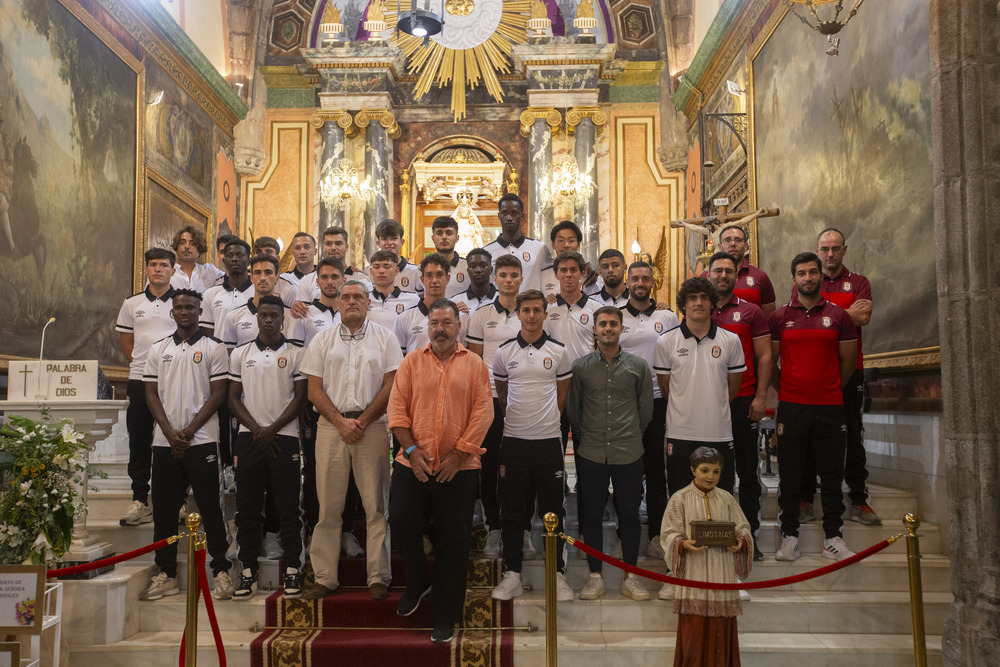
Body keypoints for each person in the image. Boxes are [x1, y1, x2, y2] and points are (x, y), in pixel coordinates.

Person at [387, 299, 494, 643]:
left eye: (447, 323)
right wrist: (412, 450)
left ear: (458, 327)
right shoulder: (410, 362)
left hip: (458, 468)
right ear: (427, 327)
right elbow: (397, 411)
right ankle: (418, 582)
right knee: (401, 519)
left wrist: (460, 455)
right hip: (413, 462)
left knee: (454, 541)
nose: (440, 329)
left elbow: (483, 413)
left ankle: (445, 615)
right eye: (434, 323)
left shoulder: (475, 364)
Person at [299, 281, 402, 600]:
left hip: (372, 427)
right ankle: (325, 577)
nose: (352, 301)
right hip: (331, 428)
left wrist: (363, 420)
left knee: (376, 506)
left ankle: (378, 576)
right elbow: (313, 390)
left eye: (358, 296)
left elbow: (391, 385)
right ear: (338, 303)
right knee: (328, 507)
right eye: (346, 297)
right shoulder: (322, 340)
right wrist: (342, 422)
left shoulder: (386, 338)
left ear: (369, 303)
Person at [141, 289, 233, 601]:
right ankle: (166, 573)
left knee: (211, 507)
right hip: (165, 442)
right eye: (179, 307)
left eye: (190, 307)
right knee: (164, 511)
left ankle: (221, 569)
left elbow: (218, 393)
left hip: (203, 440)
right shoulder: (158, 348)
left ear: (199, 310)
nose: (184, 312)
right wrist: (168, 432)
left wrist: (189, 431)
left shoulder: (214, 347)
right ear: (172, 312)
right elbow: (150, 393)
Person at [770, 252, 858, 562]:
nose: (807, 278)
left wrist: (828, 386)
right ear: (793, 279)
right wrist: (788, 390)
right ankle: (789, 537)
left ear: (820, 275)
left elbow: (847, 363)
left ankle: (833, 537)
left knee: (832, 476)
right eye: (801, 273)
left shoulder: (838, 316)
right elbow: (771, 363)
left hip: (831, 406)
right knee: (791, 474)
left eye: (812, 272)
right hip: (792, 406)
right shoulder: (780, 317)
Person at [490, 289, 574, 603]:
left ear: (543, 313)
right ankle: (512, 573)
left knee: (554, 509)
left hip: (548, 442)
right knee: (512, 509)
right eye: (526, 310)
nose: (532, 315)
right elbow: (501, 393)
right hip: (513, 441)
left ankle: (557, 574)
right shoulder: (504, 351)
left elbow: (561, 395)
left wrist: (546, 421)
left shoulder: (559, 351)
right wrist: (517, 420)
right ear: (518, 314)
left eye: (537, 310)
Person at [568, 306, 654, 601]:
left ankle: (631, 576)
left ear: (621, 328)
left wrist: (630, 433)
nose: (607, 328)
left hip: (628, 449)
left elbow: (645, 410)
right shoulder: (580, 367)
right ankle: (595, 576)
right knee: (591, 515)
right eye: (602, 324)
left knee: (629, 514)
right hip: (591, 451)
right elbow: (574, 412)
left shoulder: (638, 366)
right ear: (594, 329)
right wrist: (587, 437)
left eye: (613, 324)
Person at [227, 295, 307, 600]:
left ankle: (292, 570)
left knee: (288, 507)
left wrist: (272, 428)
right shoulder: (240, 354)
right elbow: (233, 397)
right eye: (264, 315)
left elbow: (300, 397)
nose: (269, 320)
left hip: (284, 436)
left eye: (275, 315)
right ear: (257, 318)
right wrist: (258, 429)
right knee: (247, 507)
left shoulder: (296, 353)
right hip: (250, 437)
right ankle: (247, 570)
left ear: (283, 318)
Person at [798, 228, 880, 525]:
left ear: (844, 250)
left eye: (835, 249)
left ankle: (859, 500)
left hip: (850, 370)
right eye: (824, 249)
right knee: (807, 436)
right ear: (817, 250)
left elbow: (864, 317)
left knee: (853, 434)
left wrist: (826, 313)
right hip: (814, 371)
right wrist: (847, 312)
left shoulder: (858, 282)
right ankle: (805, 499)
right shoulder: (809, 281)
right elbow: (807, 318)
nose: (829, 254)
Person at [661, 446, 753, 667]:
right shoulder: (679, 499)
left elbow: (744, 528)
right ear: (693, 470)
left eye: (716, 471)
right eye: (705, 470)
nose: (711, 476)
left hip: (722, 575)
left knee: (722, 633)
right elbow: (668, 533)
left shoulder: (727, 499)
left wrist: (741, 542)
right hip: (694, 574)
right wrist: (683, 544)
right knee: (694, 636)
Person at [654, 277, 745, 496]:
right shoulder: (666, 341)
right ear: (683, 304)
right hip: (680, 432)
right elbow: (667, 390)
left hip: (718, 432)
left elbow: (732, 389)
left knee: (720, 499)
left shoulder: (731, 340)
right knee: (680, 498)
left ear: (712, 303)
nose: (698, 303)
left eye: (704, 298)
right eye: (692, 298)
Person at [707, 251, 771, 560]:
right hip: (707, 403)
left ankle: (749, 539)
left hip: (744, 401)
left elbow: (765, 356)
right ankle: (717, 535)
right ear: (709, 275)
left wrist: (761, 397)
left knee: (747, 472)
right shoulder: (699, 311)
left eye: (727, 271)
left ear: (736, 276)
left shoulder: (751, 312)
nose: (722, 275)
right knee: (714, 473)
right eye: (717, 271)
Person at [617, 261, 680, 569]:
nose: (640, 282)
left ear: (653, 282)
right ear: (627, 283)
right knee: (626, 472)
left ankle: (656, 535)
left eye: (645, 278)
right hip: (624, 403)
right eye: (635, 278)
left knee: (657, 471)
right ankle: (623, 533)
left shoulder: (667, 316)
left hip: (657, 401)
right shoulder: (614, 314)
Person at [466, 254, 524, 558]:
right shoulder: (480, 315)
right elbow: (474, 362)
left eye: (514, 275)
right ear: (495, 278)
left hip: (523, 398)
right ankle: (494, 529)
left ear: (521, 278)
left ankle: (521, 529)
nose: (509, 280)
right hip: (489, 400)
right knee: (488, 467)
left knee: (518, 467)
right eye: (503, 275)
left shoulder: (531, 312)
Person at [116, 248, 178, 526]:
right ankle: (140, 499)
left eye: (164, 265)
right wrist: (144, 365)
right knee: (139, 438)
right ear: (147, 270)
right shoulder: (132, 303)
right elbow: (127, 341)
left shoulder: (181, 301)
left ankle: (177, 500)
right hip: (141, 378)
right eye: (153, 265)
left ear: (172, 270)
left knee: (174, 437)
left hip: (175, 378)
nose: (158, 269)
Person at [393, 254, 469, 355]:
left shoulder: (461, 317)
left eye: (439, 275)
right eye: (429, 275)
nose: (434, 280)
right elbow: (398, 358)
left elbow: (465, 355)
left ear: (448, 279)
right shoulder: (404, 318)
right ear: (422, 280)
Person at [217, 254, 291, 350]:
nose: (263, 278)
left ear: (277, 277)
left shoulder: (290, 316)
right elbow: (229, 355)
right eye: (257, 273)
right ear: (251, 278)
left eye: (268, 272)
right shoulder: (233, 317)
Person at [701, 225, 776, 316]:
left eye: (738, 240)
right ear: (720, 246)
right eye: (727, 240)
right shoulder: (705, 277)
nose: (733, 244)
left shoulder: (760, 276)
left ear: (746, 246)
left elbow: (769, 318)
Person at [293, 226, 370, 313]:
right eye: (328, 244)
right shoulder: (308, 280)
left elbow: (369, 311)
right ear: (323, 247)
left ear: (347, 246)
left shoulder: (363, 279)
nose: (333, 248)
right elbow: (302, 313)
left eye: (338, 243)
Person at [484, 194, 551, 293]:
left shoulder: (539, 248)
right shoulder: (487, 252)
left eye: (514, 213)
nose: (509, 218)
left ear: (522, 216)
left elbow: (552, 277)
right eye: (505, 213)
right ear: (499, 216)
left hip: (531, 306)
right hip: (499, 307)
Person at [286, 256, 345, 347]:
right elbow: (294, 353)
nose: (329, 282)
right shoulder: (302, 313)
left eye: (334, 277)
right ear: (317, 282)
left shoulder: (350, 313)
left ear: (343, 281)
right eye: (324, 277)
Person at [201, 239, 254, 334]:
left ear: (249, 261)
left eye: (240, 255)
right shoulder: (210, 294)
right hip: (220, 348)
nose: (234, 259)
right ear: (224, 261)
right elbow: (208, 331)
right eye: (230, 256)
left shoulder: (258, 293)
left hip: (250, 348)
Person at [539, 220, 600, 299]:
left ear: (578, 245)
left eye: (571, 241)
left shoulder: (590, 274)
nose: (566, 245)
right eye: (561, 241)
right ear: (553, 244)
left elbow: (598, 302)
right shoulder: (543, 275)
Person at [366, 250, 420, 333]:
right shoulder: (364, 300)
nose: (381, 271)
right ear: (371, 272)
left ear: (396, 271)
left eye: (387, 266)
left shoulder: (413, 300)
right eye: (376, 267)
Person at [367, 219, 422, 294]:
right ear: (378, 243)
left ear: (402, 242)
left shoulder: (416, 272)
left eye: (394, 238)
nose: (389, 243)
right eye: (384, 239)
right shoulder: (368, 273)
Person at [169, 225, 224, 292]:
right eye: (182, 243)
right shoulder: (166, 271)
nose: (186, 246)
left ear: (200, 249)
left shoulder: (209, 271)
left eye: (192, 243)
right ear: (176, 247)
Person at [428, 216, 471, 298]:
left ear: (457, 238)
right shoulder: (423, 269)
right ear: (433, 238)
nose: (444, 237)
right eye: (439, 233)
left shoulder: (468, 267)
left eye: (449, 233)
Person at [253, 236, 297, 307]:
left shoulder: (288, 289)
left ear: (278, 258)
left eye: (268, 252)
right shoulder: (247, 285)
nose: (264, 255)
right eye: (259, 252)